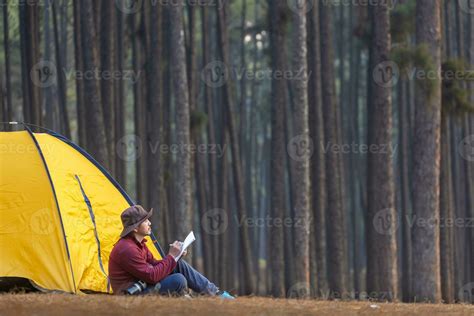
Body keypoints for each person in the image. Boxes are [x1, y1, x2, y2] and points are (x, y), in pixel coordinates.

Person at [108, 205, 234, 299]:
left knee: (178, 264)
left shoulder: (138, 243)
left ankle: (215, 293)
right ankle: (187, 301)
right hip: (131, 295)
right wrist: (171, 256)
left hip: (143, 285)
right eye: (145, 221)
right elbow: (152, 276)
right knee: (178, 280)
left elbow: (154, 264)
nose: (150, 223)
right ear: (135, 228)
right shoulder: (127, 249)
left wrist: (176, 257)